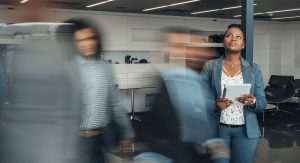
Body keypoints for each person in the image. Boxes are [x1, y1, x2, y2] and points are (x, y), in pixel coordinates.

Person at [140, 27, 229, 163]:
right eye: (178, 46)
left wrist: (215, 143)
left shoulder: (199, 81)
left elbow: (206, 119)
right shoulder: (165, 83)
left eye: (192, 46)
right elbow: (154, 128)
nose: (188, 51)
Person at [59, 18, 135, 163]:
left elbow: (116, 103)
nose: (87, 43)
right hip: (76, 141)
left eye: (90, 38)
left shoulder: (105, 68)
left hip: (102, 138)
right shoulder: (66, 68)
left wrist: (126, 132)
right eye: (81, 40)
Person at [201, 24, 267, 163]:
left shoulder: (254, 69)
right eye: (229, 35)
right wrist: (215, 104)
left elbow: (262, 103)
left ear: (243, 44)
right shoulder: (210, 66)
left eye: (238, 37)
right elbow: (199, 99)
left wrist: (253, 102)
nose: (233, 39)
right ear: (224, 41)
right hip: (218, 130)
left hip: (246, 132)